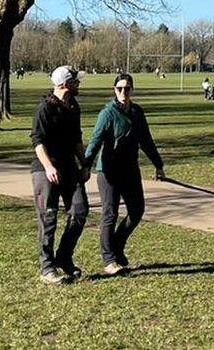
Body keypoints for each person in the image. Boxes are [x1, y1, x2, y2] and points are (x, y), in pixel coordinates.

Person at [84, 73, 166, 275]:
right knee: (109, 213)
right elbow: (95, 141)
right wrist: (85, 165)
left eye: (127, 89)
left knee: (137, 211)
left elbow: (146, 140)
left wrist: (158, 165)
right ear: (114, 90)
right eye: (119, 89)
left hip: (130, 170)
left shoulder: (137, 112)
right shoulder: (108, 113)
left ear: (132, 90)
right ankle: (109, 259)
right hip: (109, 171)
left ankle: (117, 245)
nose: (123, 92)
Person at [30, 66, 89, 285]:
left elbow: (76, 141)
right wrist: (48, 167)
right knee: (48, 218)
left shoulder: (74, 107)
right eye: (76, 81)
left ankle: (64, 256)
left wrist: (85, 164)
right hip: (45, 170)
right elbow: (38, 141)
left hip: (69, 169)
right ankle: (47, 268)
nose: (79, 85)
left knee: (80, 210)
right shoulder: (45, 108)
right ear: (64, 84)